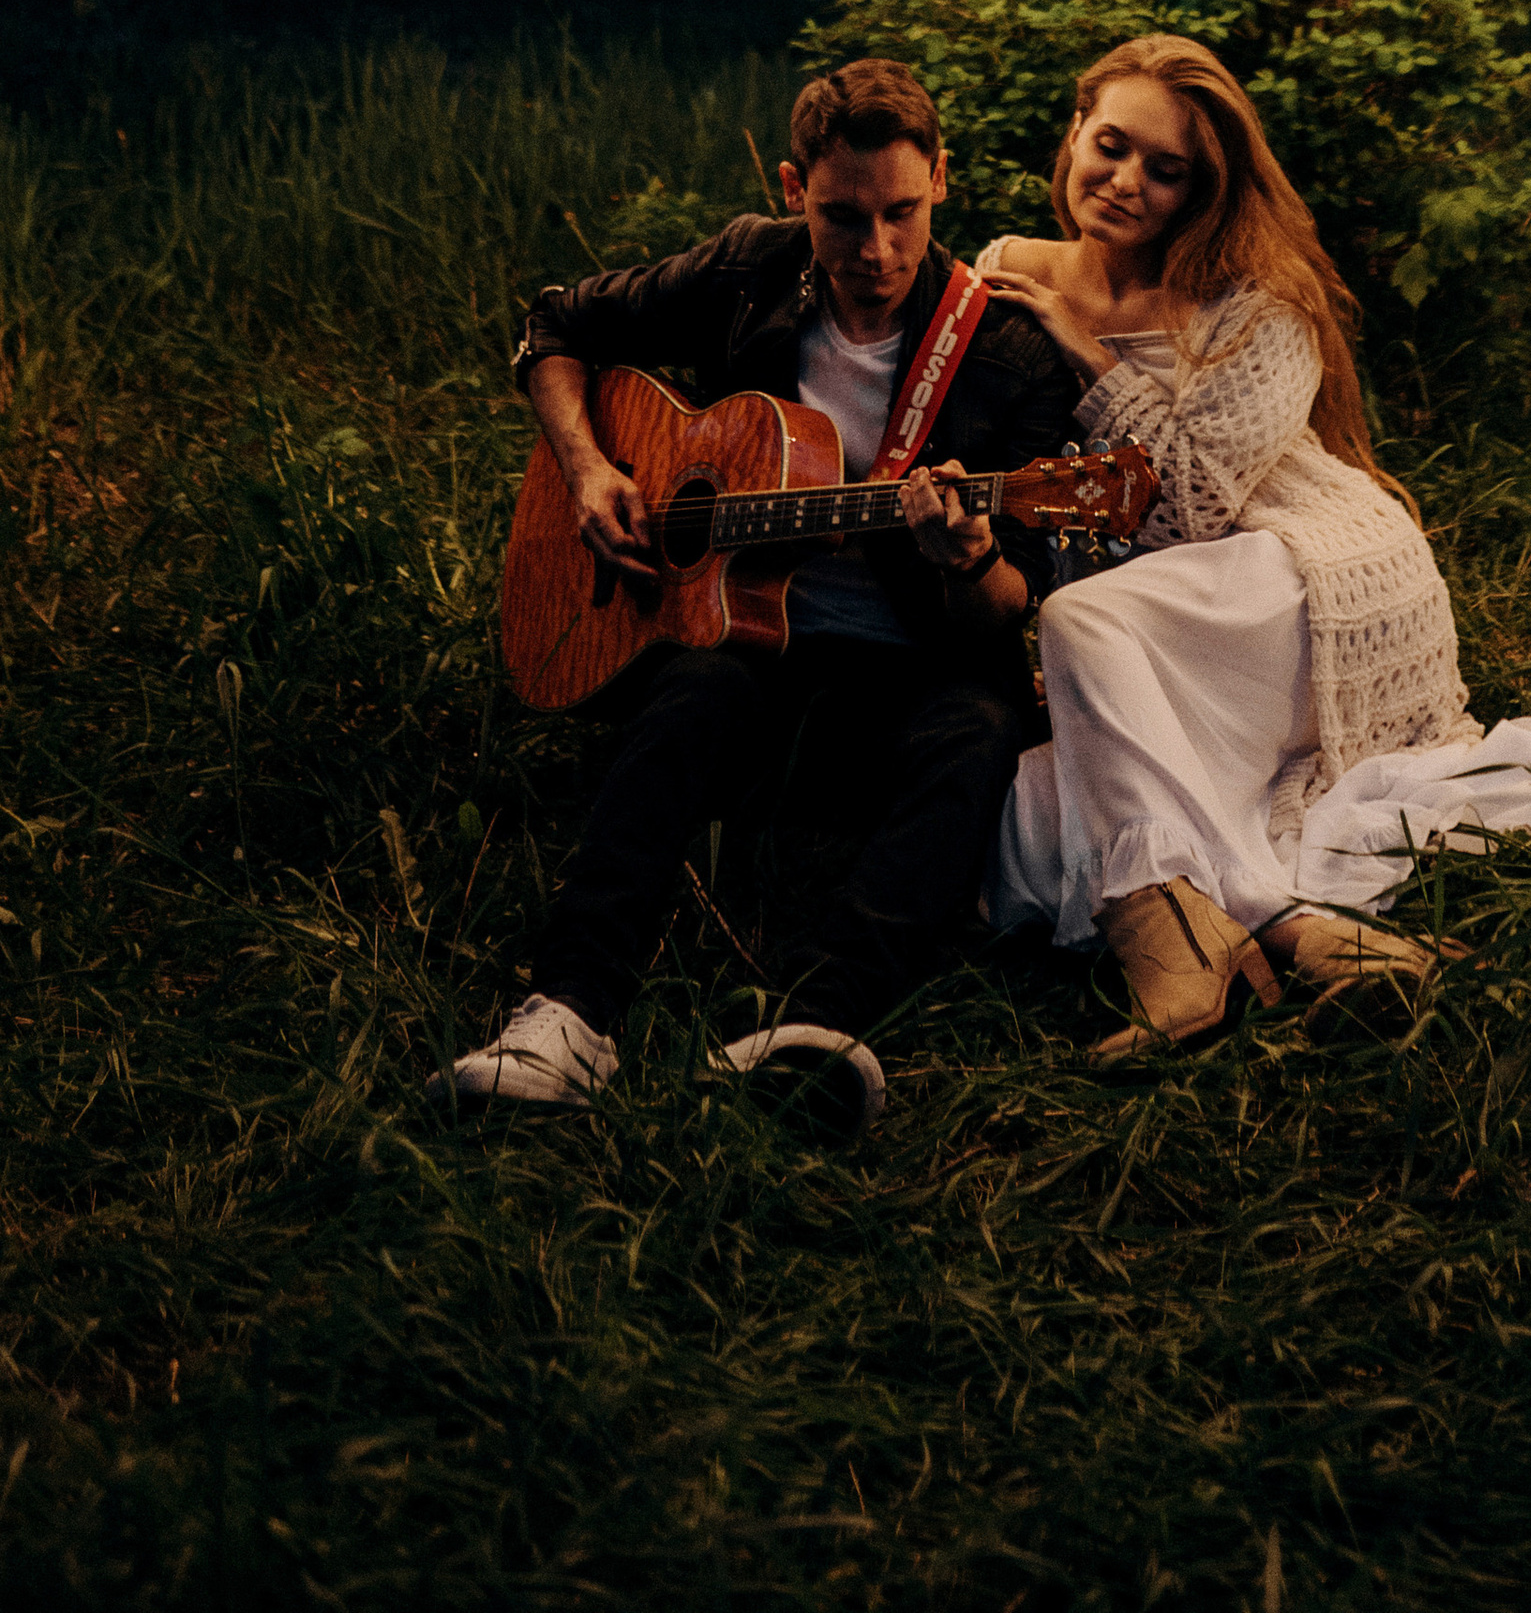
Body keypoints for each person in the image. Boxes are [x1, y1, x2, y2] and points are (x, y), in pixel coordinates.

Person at [433, 57, 1078, 1123]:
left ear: (943, 182)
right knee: (690, 701)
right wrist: (592, 472)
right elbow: (555, 327)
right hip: (745, 644)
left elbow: (1010, 605)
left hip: (914, 669)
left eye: (902, 215)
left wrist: (962, 554)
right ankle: (566, 1017)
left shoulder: (1006, 354)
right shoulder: (746, 270)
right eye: (841, 217)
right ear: (793, 189)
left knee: (979, 733)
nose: (874, 250)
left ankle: (813, 1030)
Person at [985, 33, 1531, 1061]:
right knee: (1023, 815)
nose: (1126, 183)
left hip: (1302, 575)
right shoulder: (1003, 270)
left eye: (1168, 172)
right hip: (1163, 622)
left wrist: (1082, 350)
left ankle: (1203, 949)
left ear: (1205, 192)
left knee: (1084, 615)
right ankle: (1299, 933)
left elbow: (1189, 508)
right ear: (1073, 129)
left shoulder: (1256, 299)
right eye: (1110, 146)